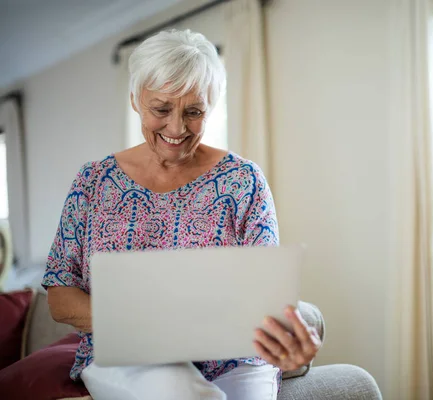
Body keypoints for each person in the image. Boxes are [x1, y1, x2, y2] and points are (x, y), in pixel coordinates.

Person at [42, 29, 321, 400]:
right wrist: (147, 323)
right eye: (161, 109)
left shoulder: (243, 180)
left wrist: (289, 336)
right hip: (131, 356)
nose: (177, 128)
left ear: (211, 107)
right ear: (135, 99)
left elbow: (265, 294)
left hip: (233, 362)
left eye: (194, 112)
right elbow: (61, 296)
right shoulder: (93, 182)